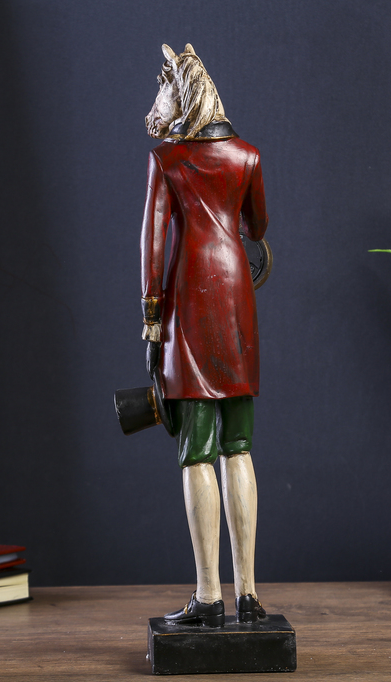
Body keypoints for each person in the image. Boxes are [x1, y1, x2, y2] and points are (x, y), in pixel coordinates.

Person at [141, 44, 269, 627]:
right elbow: (257, 226)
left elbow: (152, 245)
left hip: (189, 305)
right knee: (239, 444)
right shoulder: (247, 156)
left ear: (181, 91)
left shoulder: (167, 160)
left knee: (196, 449)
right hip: (236, 300)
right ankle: (250, 594)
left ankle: (209, 596)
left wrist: (151, 318)